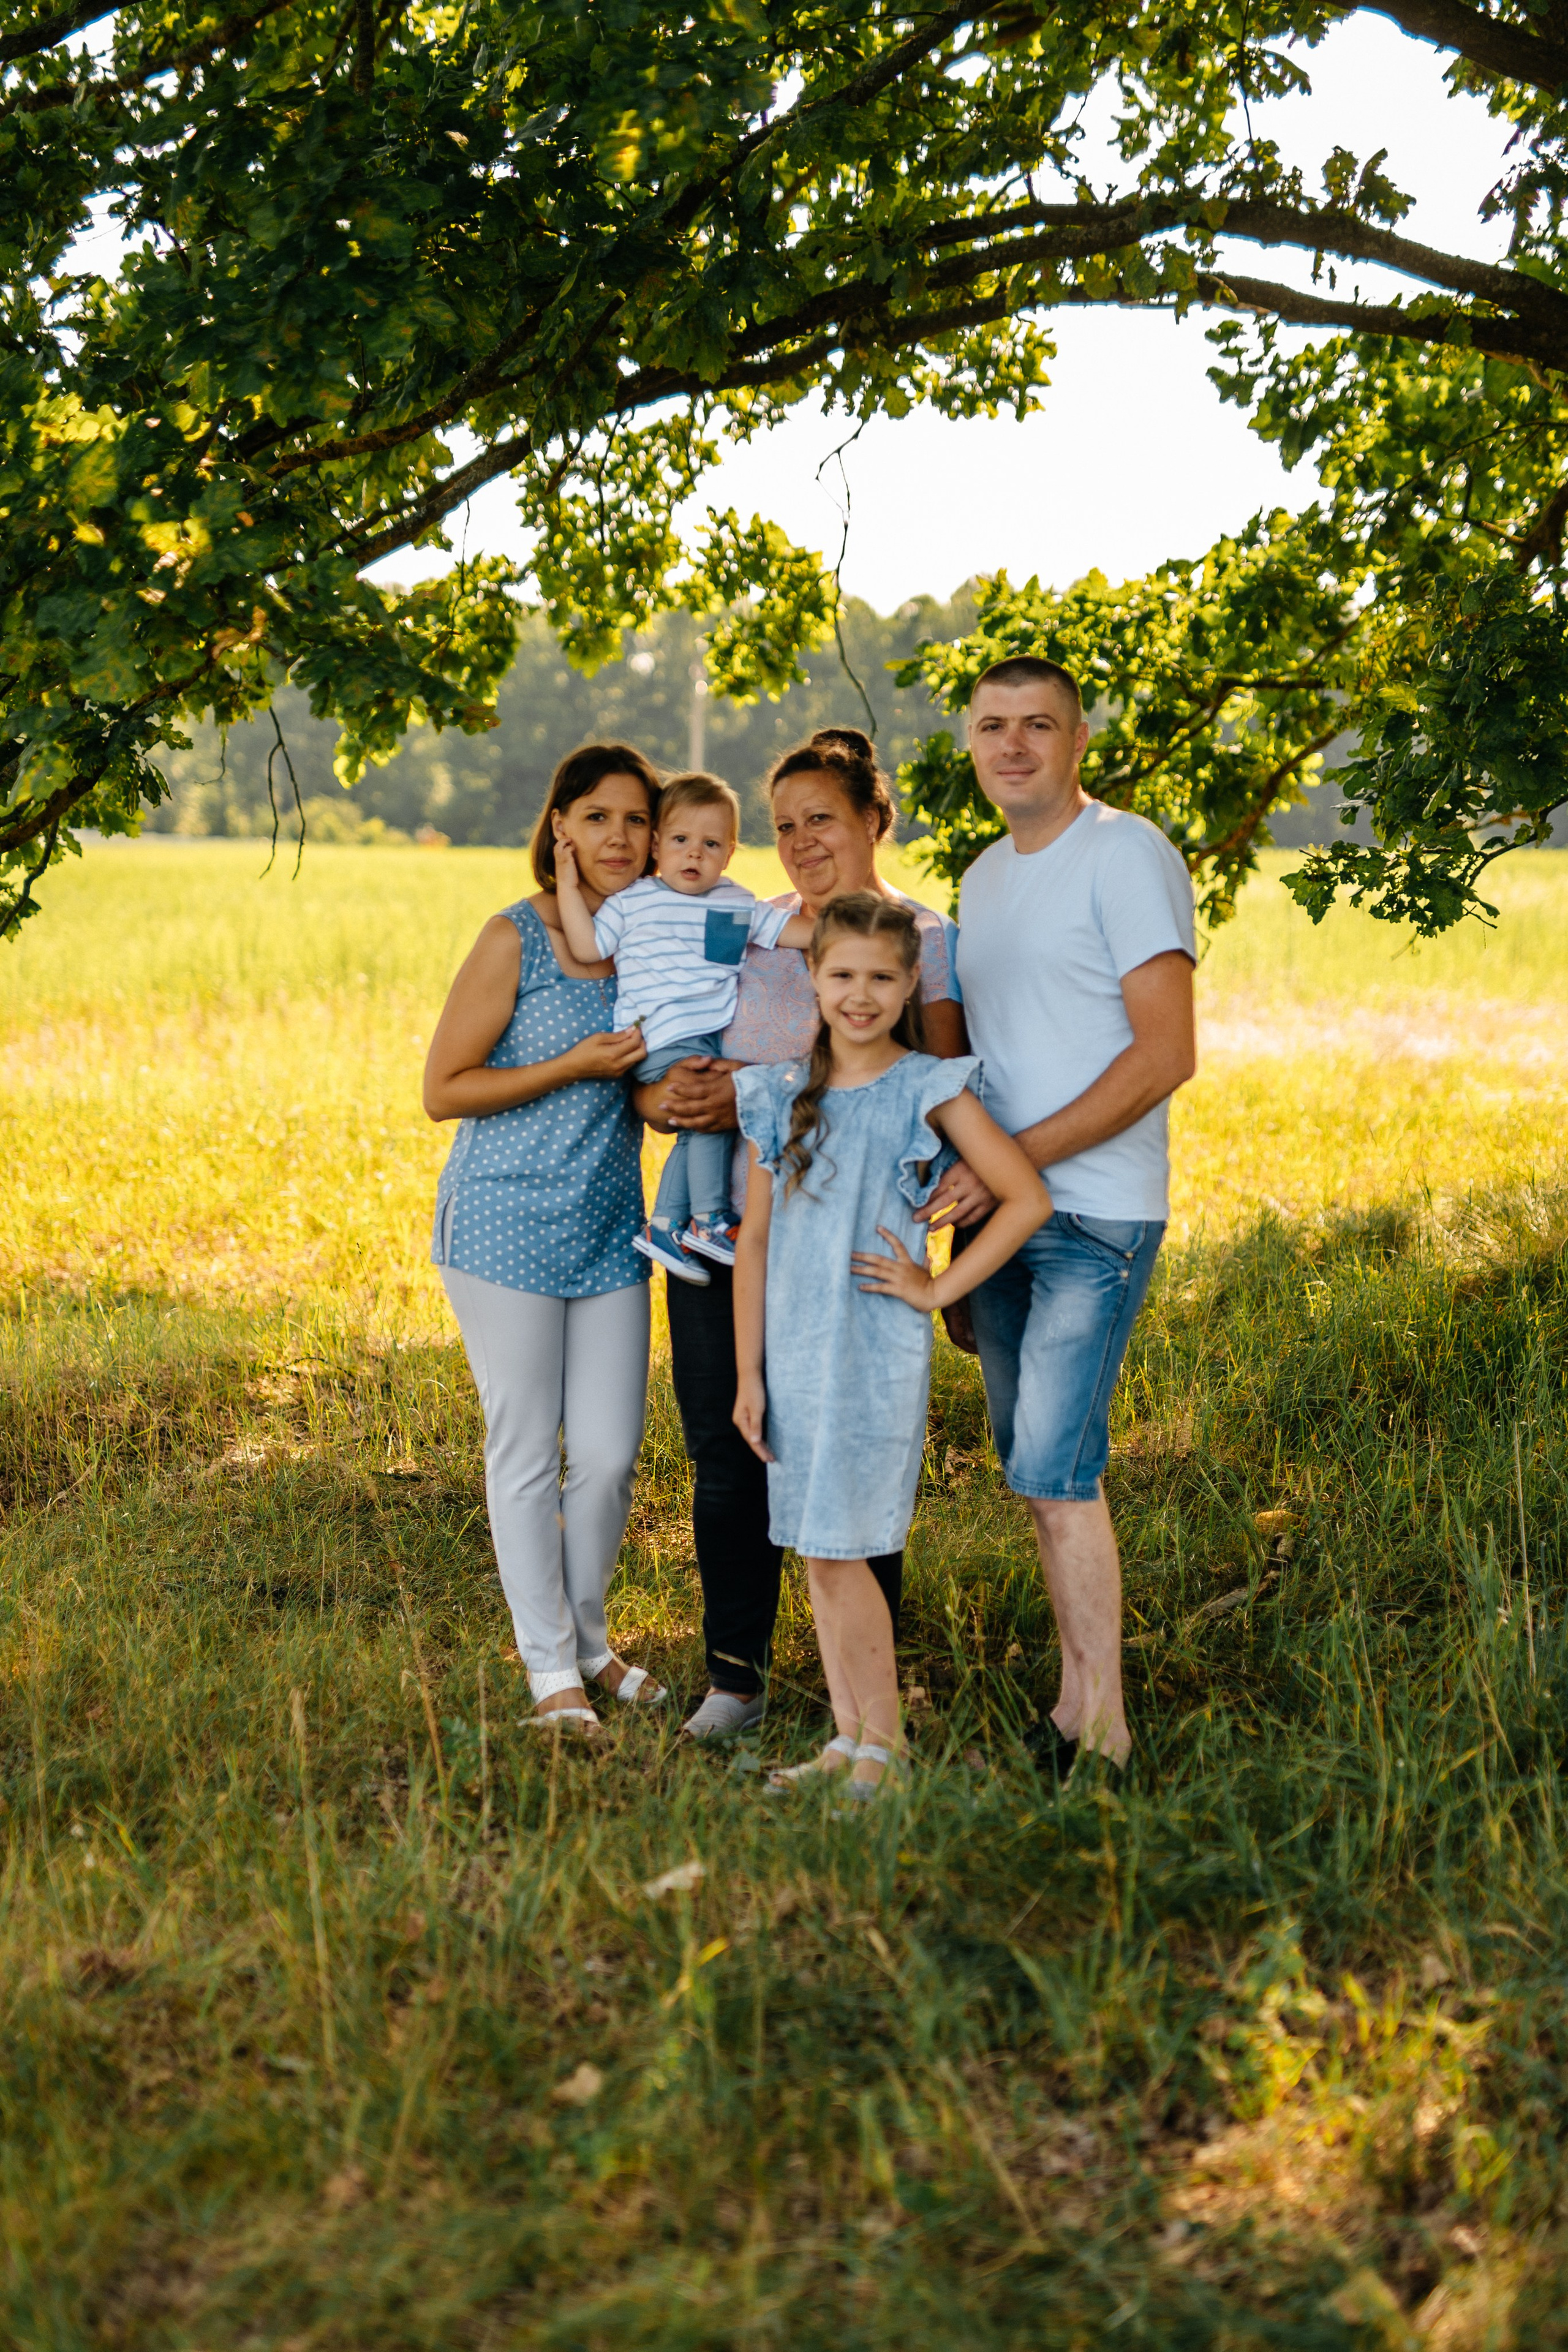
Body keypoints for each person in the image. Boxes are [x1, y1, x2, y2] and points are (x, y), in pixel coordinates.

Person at [633, 728, 968, 1744]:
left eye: (821, 818)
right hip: (727, 1223)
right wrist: (667, 1093)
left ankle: (866, 1697)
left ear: (874, 818)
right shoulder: (747, 923)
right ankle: (737, 1674)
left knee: (850, 1453)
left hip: (847, 1240)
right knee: (727, 1444)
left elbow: (946, 1083)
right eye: (782, 826)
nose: (800, 841)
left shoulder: (922, 933)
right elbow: (682, 1032)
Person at [924, 657, 1197, 1779]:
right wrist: (969, 1211)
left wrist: (1009, 1170)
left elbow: (1166, 1054)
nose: (1015, 745)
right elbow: (990, 1069)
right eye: (993, 727)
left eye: (1039, 725)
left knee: (1057, 1466)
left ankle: (1112, 1733)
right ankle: (1072, 1705)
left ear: (1080, 738)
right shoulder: (983, 880)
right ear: (973, 745)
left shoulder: (1125, 854)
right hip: (1002, 1224)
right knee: (1029, 1466)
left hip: (1093, 1216)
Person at [731, 894, 1050, 1796]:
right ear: (813, 979)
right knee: (814, 1549)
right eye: (842, 976)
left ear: (912, 981)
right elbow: (753, 1243)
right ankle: (848, 1739)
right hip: (791, 1354)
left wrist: (939, 1286)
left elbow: (1023, 1197)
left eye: (881, 978)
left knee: (842, 1547)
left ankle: (887, 1752)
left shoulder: (928, 1086)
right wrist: (748, 1372)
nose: (860, 995)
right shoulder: (776, 1091)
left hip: (871, 1353)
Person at [423, 741, 670, 1733]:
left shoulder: (652, 945)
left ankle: (592, 1642)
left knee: (608, 1455)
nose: (620, 835)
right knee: (526, 1450)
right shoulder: (513, 938)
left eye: (637, 819)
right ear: (560, 826)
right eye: (599, 816)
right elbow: (444, 1090)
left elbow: (654, 1091)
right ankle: (550, 1672)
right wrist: (574, 1064)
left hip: (609, 1226)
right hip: (502, 1224)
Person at [552, 770, 812, 1280]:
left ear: (730, 853)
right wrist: (566, 882)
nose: (694, 854)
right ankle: (709, 1218)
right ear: (656, 846)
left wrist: (850, 928)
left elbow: (792, 930)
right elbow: (588, 947)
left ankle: (668, 1225)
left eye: (710, 844)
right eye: (680, 841)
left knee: (697, 1126)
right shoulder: (634, 901)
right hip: (658, 1037)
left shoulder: (736, 903)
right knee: (712, 1110)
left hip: (703, 1035)